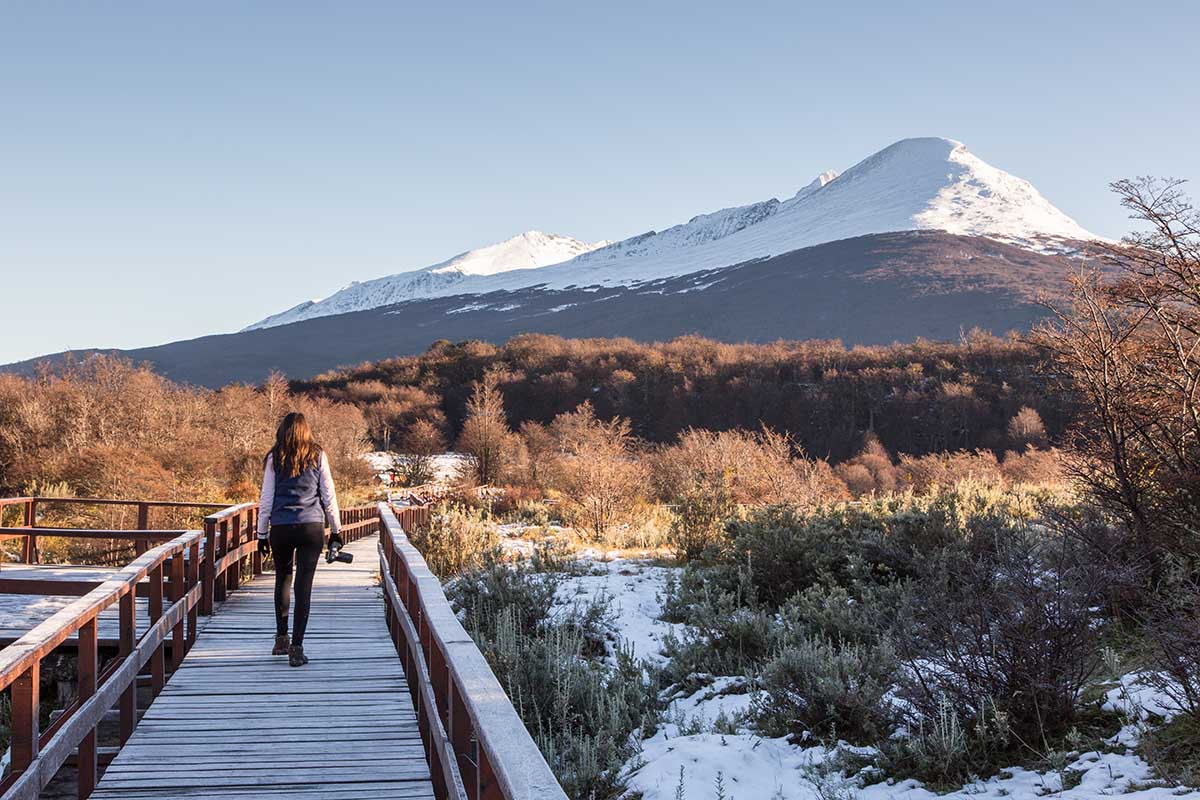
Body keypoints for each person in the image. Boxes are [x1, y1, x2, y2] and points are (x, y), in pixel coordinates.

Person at [255, 412, 342, 667]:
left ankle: (281, 638)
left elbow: (266, 499)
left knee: (282, 578)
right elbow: (329, 495)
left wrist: (262, 534)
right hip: (310, 527)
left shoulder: (274, 457)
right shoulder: (318, 455)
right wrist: (336, 530)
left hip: (281, 527)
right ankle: (297, 648)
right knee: (303, 586)